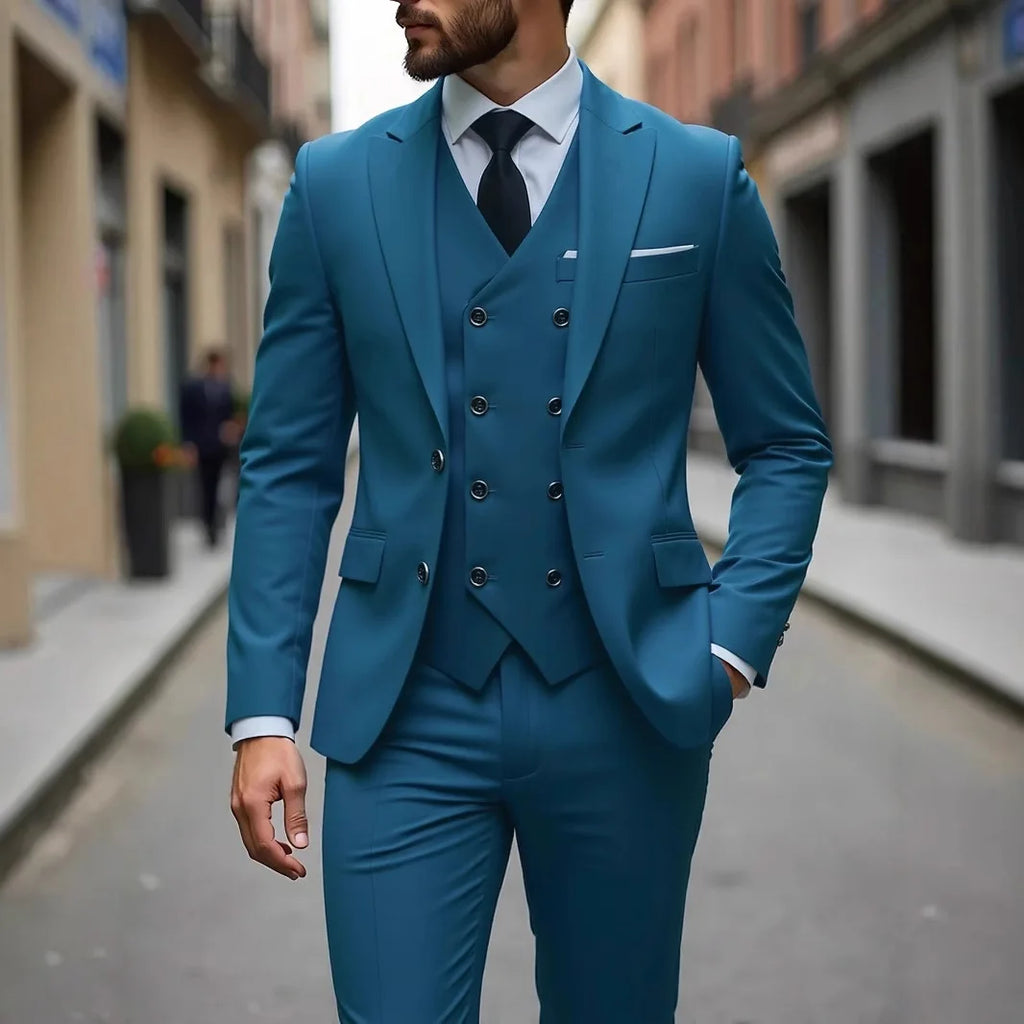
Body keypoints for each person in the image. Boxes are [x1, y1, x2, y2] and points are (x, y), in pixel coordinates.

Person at [226, 0, 832, 1020]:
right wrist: (262, 713)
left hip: (626, 701)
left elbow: (786, 445)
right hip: (403, 711)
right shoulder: (335, 187)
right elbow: (288, 464)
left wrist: (727, 649)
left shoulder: (693, 176)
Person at [179, 348, 236, 547]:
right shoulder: (193, 389)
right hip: (202, 447)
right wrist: (188, 444)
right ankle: (208, 527)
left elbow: (229, 415)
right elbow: (186, 419)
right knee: (205, 487)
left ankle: (218, 525)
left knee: (221, 486)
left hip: (220, 447)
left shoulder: (226, 388)